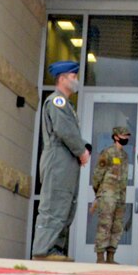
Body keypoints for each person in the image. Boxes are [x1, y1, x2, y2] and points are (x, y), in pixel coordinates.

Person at [32, 61, 90, 261]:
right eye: (73, 77)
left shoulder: (66, 104)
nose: (76, 80)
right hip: (58, 161)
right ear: (62, 78)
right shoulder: (57, 101)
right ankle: (43, 249)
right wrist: (81, 151)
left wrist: (82, 148)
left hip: (65, 162)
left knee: (65, 204)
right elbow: (64, 131)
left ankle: (55, 248)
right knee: (54, 203)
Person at [91, 125, 130, 263]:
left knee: (117, 225)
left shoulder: (125, 156)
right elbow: (97, 175)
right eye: (124, 136)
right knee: (105, 224)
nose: (126, 138)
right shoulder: (107, 153)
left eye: (127, 136)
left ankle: (111, 256)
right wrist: (99, 193)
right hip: (108, 194)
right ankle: (100, 257)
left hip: (120, 195)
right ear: (115, 137)